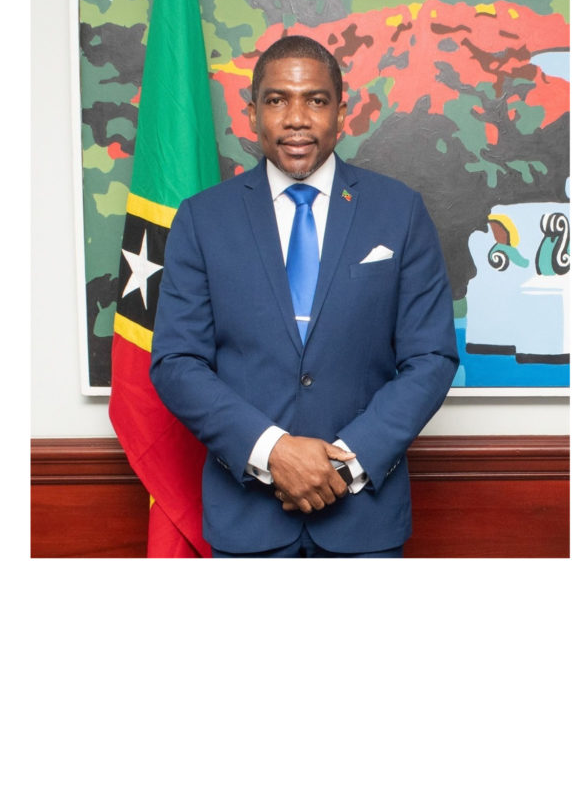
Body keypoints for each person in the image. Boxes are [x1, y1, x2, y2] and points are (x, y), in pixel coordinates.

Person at [150, 34, 458, 557]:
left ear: (342, 112)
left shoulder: (399, 212)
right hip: (247, 524)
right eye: (277, 100)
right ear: (252, 113)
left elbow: (431, 357)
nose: (296, 119)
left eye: (315, 100)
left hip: (364, 522)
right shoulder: (203, 219)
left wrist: (345, 464)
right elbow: (176, 362)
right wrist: (273, 452)